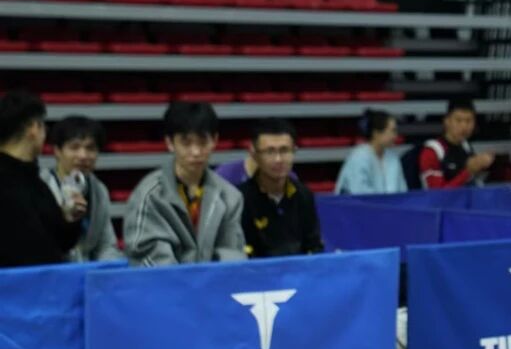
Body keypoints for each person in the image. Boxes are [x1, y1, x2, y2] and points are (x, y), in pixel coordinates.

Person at [123, 101, 246, 266]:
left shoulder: (230, 196)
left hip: (213, 280)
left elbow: (232, 254)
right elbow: (148, 257)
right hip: (166, 281)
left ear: (215, 141)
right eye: (186, 143)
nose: (195, 152)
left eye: (202, 142)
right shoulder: (149, 195)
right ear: (170, 143)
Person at [0, 90, 83, 267]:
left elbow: (59, 243)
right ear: (33, 128)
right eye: (44, 127)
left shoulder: (37, 183)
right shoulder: (11, 183)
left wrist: (70, 219)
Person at [40, 116, 123, 262]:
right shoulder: (41, 185)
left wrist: (107, 270)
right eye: (74, 147)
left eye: (90, 148)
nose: (83, 156)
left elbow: (106, 245)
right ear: (57, 151)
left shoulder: (99, 190)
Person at [239, 118, 323, 257]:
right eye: (269, 151)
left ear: (294, 151)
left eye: (284, 150)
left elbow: (314, 247)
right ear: (254, 154)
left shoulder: (304, 195)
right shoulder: (239, 198)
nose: (278, 159)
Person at [417, 99, 494, 189]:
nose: (464, 126)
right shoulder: (432, 151)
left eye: (469, 121)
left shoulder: (466, 146)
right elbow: (437, 194)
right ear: (447, 121)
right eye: (458, 120)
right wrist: (468, 172)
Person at [335, 110, 408, 194]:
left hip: (389, 202)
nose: (395, 136)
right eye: (392, 131)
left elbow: (402, 190)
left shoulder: (393, 157)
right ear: (376, 133)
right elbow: (358, 192)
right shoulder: (359, 157)